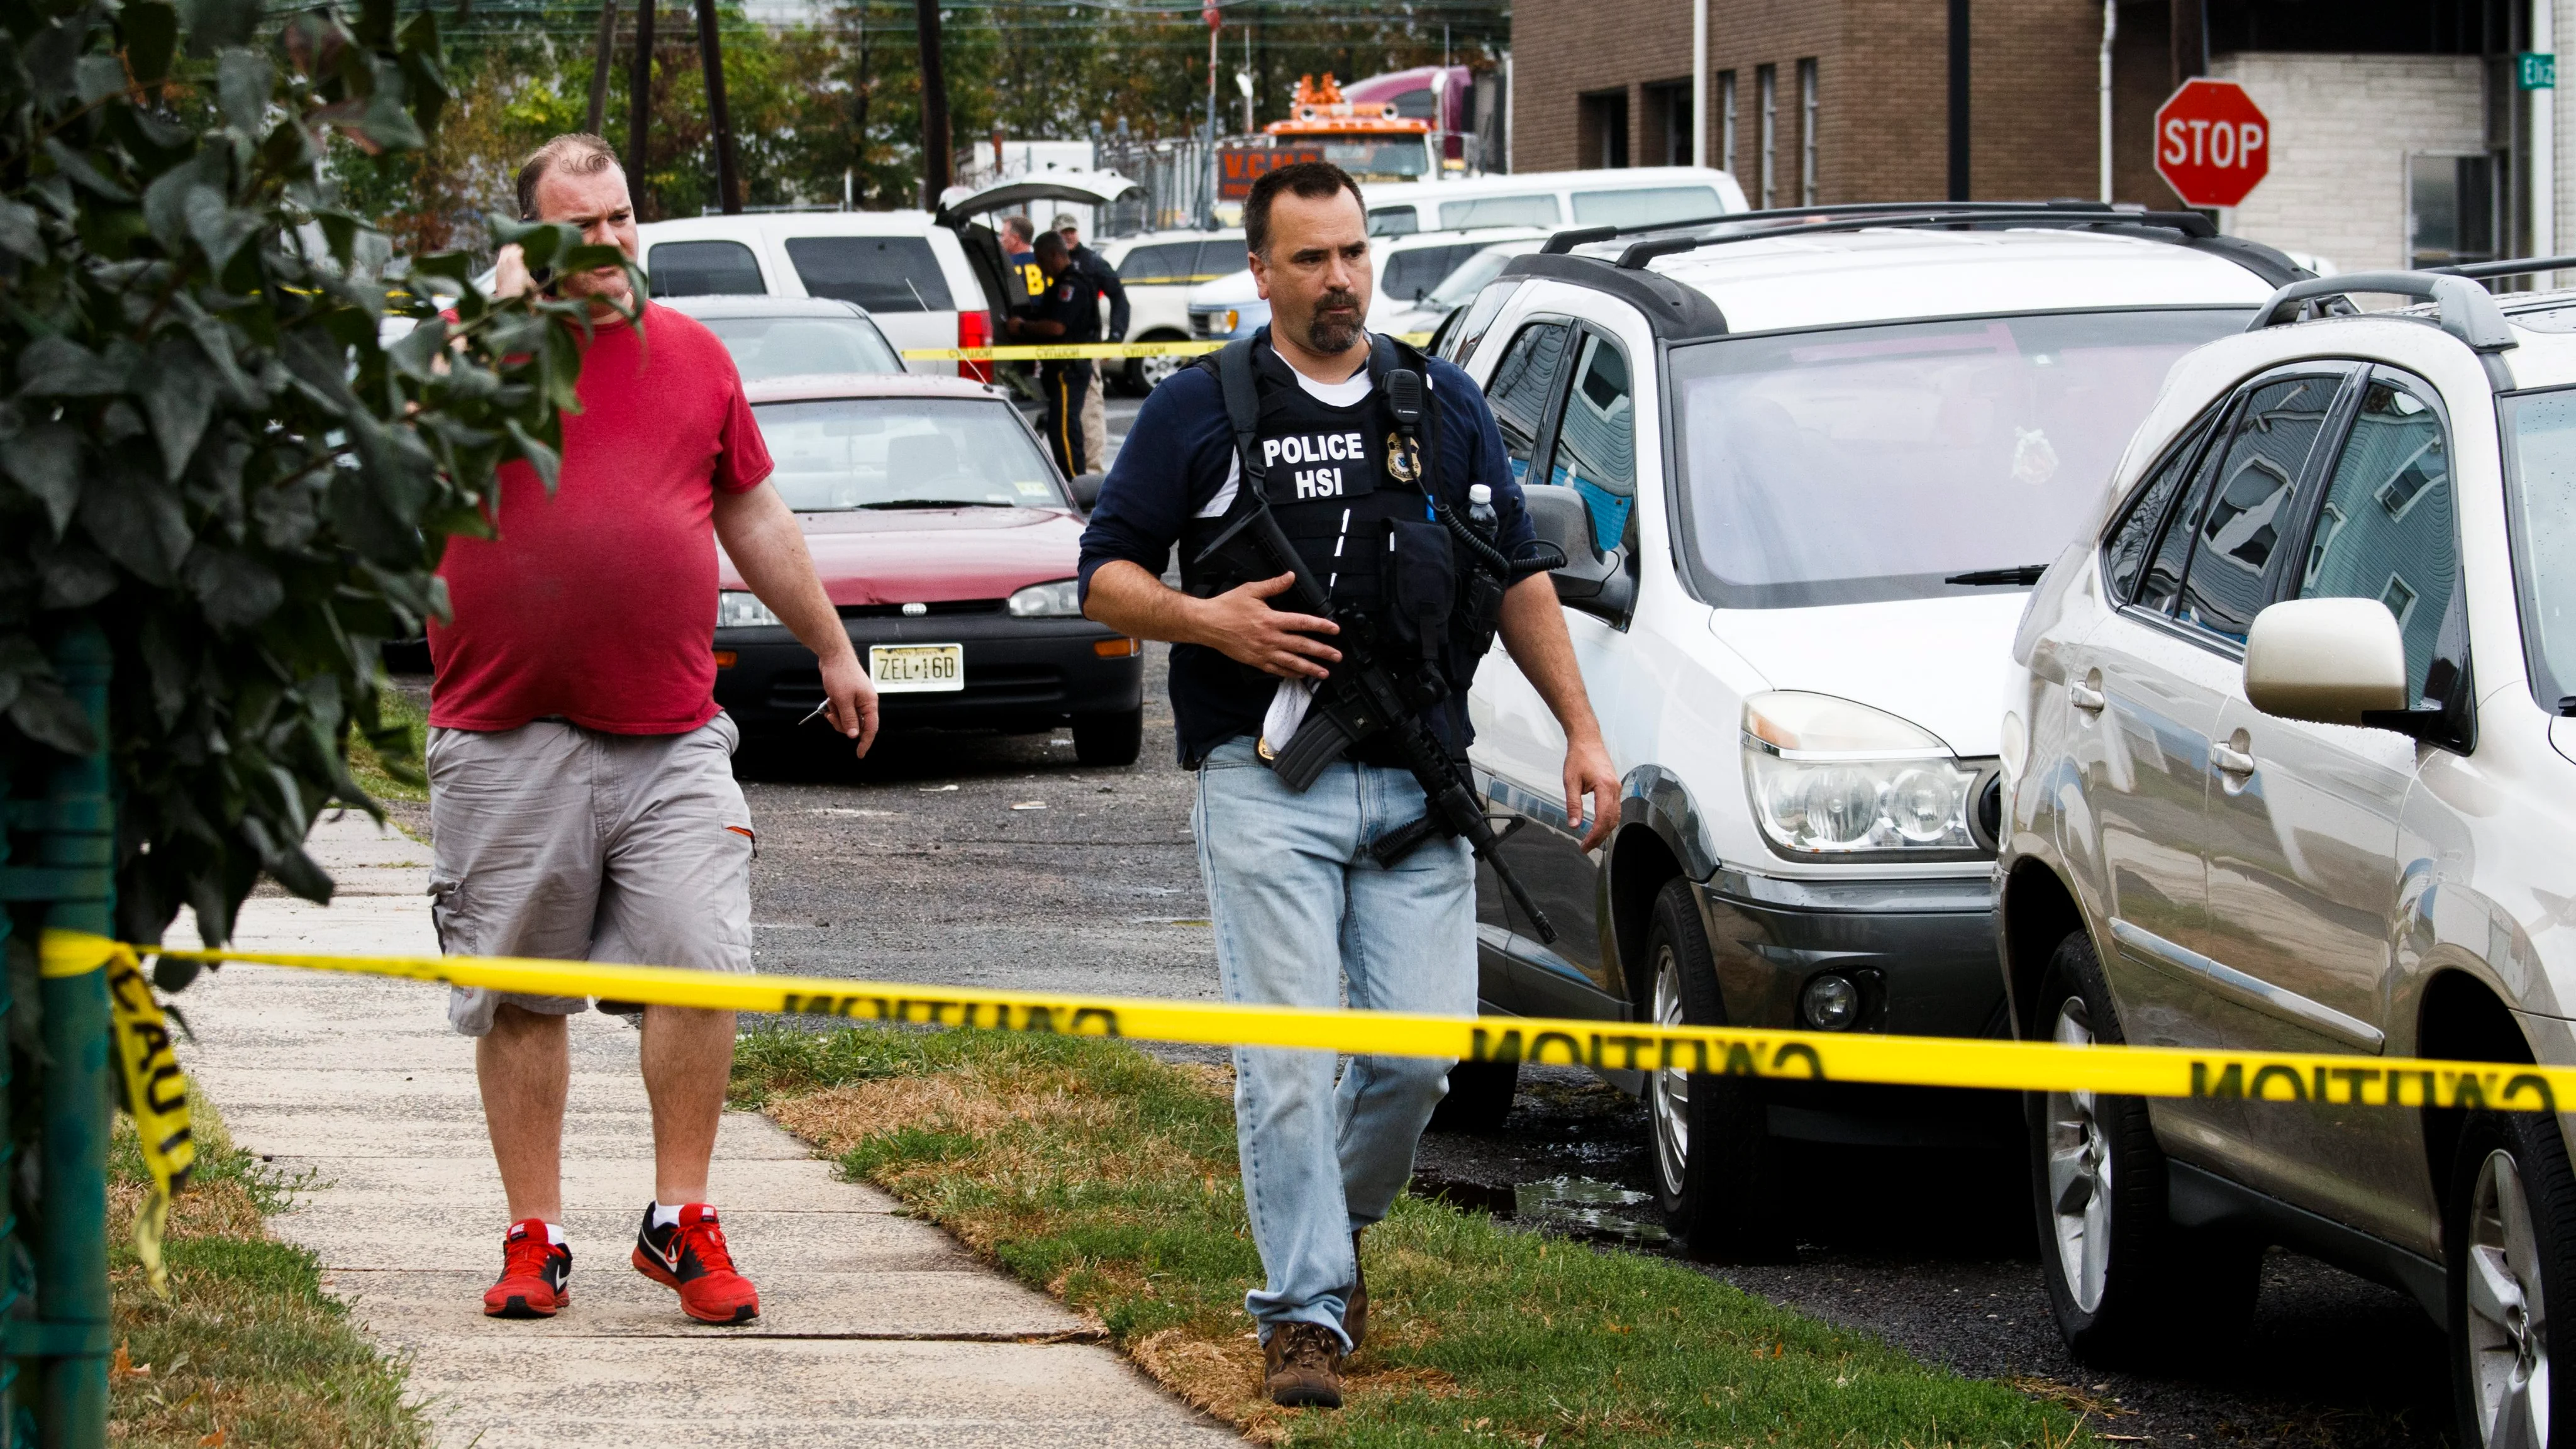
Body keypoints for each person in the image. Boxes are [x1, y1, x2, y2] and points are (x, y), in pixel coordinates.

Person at [1077, 162, 1618, 1409]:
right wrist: (1210, 625)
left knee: (1419, 1058)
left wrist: (1581, 733)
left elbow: (1518, 575)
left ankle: (1331, 1217)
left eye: (1354, 254)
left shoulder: (1441, 405)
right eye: (1311, 259)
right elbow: (1104, 577)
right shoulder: (1198, 410)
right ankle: (1303, 1317)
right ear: (1259, 272)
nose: (1339, 280)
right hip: (1265, 778)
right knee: (1283, 1060)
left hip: (1418, 780)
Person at [432, 133, 879, 1328]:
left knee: (702, 963)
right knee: (523, 994)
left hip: (673, 729)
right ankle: (536, 1237)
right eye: (575, 228)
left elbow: (754, 509)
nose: (609, 246)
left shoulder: (692, 356)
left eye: (621, 219)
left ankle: (679, 1218)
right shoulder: (470, 363)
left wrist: (833, 644)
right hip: (503, 729)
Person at [1011, 230, 1101, 477]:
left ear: (1053, 255)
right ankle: (1074, 481)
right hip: (1062, 369)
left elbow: (1056, 327)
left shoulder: (1070, 285)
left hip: (1068, 370)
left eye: (1040, 260)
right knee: (1061, 428)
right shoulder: (1062, 284)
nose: (1039, 267)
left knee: (1062, 430)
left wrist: (1021, 327)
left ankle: (1075, 484)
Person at [1054, 212, 1128, 466]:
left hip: (1085, 351)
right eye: (1063, 234)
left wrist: (1115, 336)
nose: (1069, 237)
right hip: (1048, 351)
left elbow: (1119, 295)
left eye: (1072, 232)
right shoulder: (1043, 261)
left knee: (1090, 413)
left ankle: (1092, 473)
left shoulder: (1091, 262)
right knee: (1053, 415)